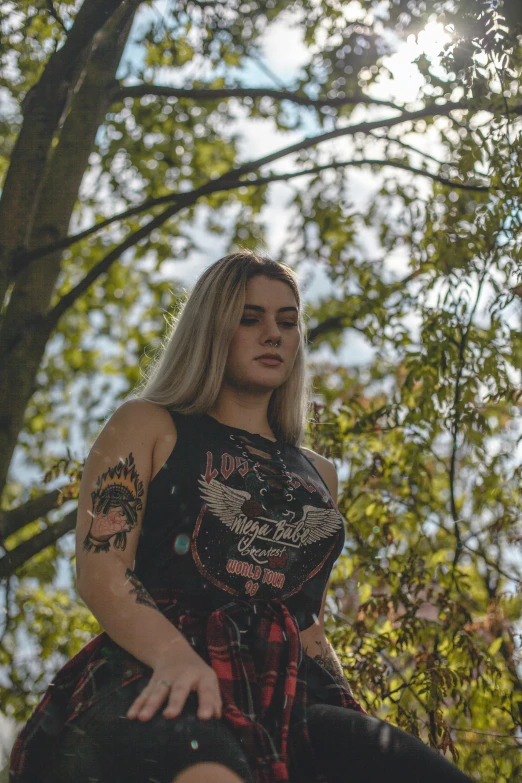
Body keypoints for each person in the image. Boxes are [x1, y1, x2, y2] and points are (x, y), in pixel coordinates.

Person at [9, 250, 475, 783]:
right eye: (250, 318)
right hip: (154, 669)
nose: (273, 334)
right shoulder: (147, 422)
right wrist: (175, 657)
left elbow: (304, 618)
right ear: (212, 329)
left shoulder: (319, 473)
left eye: (287, 321)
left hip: (288, 691)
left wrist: (348, 704)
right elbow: (102, 571)